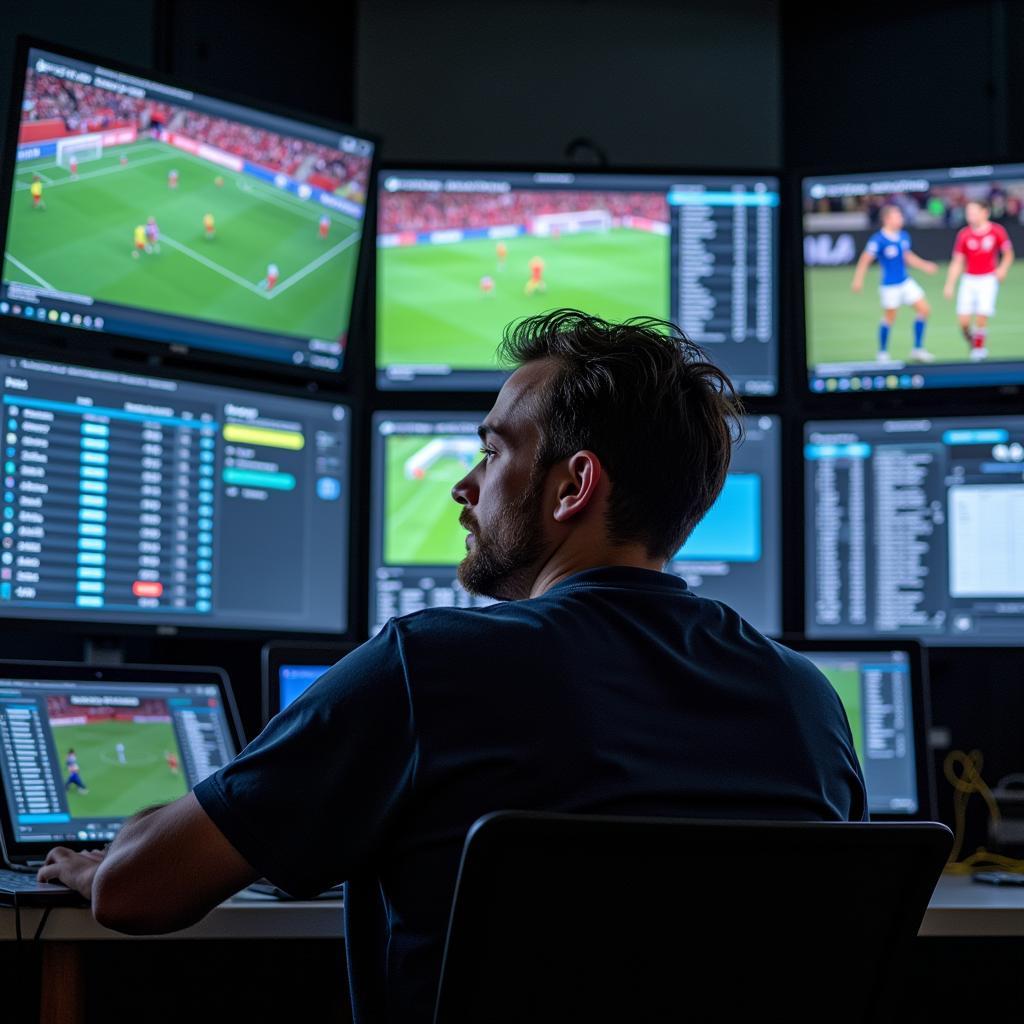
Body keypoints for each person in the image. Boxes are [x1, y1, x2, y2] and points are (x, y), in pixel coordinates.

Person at [37, 310, 866, 1024]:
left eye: (494, 451)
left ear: (573, 485)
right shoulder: (807, 702)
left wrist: (101, 859)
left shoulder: (424, 666)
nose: (464, 488)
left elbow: (138, 894)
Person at [850, 203, 938, 363]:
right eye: (897, 216)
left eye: (900, 215)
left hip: (905, 282)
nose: (901, 218)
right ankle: (882, 353)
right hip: (889, 286)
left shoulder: (904, 235)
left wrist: (925, 265)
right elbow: (865, 259)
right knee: (890, 318)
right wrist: (858, 280)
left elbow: (908, 257)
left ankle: (917, 350)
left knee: (924, 310)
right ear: (887, 219)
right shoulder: (879, 239)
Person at [943, 198, 1014, 362]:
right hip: (969, 280)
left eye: (974, 212)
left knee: (982, 317)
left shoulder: (997, 230)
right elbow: (957, 261)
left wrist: (1002, 269)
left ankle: (979, 349)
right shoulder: (964, 234)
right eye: (968, 213)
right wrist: (950, 284)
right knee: (964, 323)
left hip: (988, 280)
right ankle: (974, 342)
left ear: (985, 212)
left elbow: (1008, 254)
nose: (970, 216)